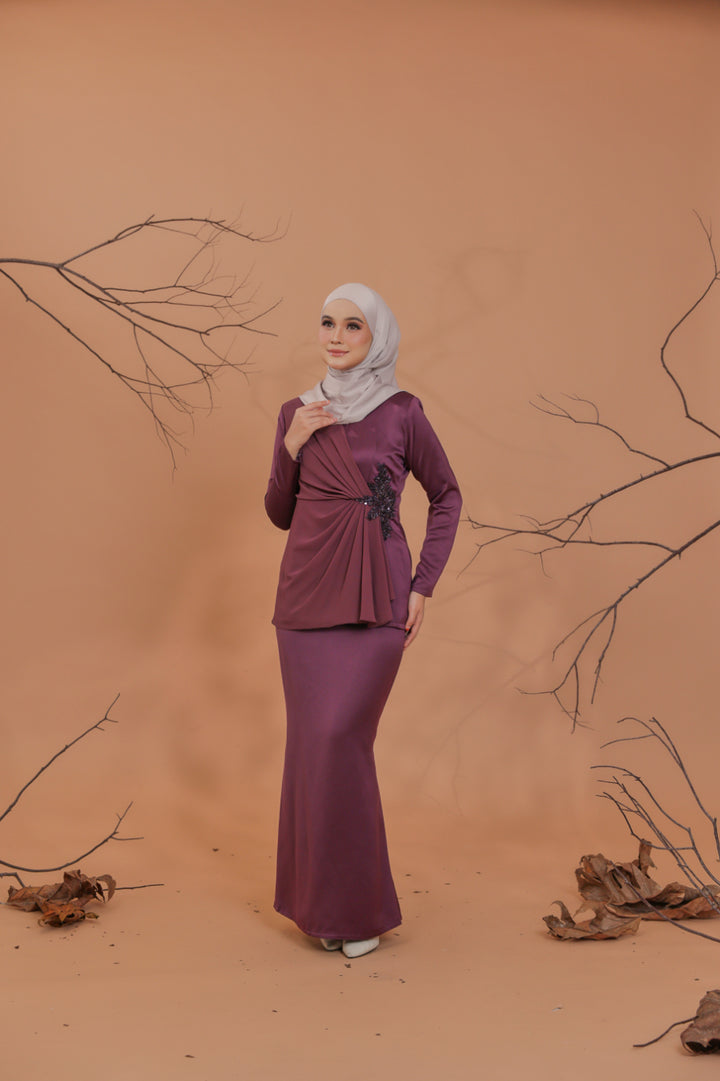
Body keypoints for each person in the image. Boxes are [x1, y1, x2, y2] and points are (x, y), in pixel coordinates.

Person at [264, 283, 461, 959]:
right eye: (328, 322)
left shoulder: (402, 411)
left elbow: (447, 495)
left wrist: (423, 584)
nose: (337, 335)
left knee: (341, 739)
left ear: (377, 337)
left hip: (379, 597)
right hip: (304, 602)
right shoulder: (296, 411)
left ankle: (358, 910)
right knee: (311, 748)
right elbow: (279, 512)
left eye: (353, 325)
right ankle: (319, 908)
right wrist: (292, 443)